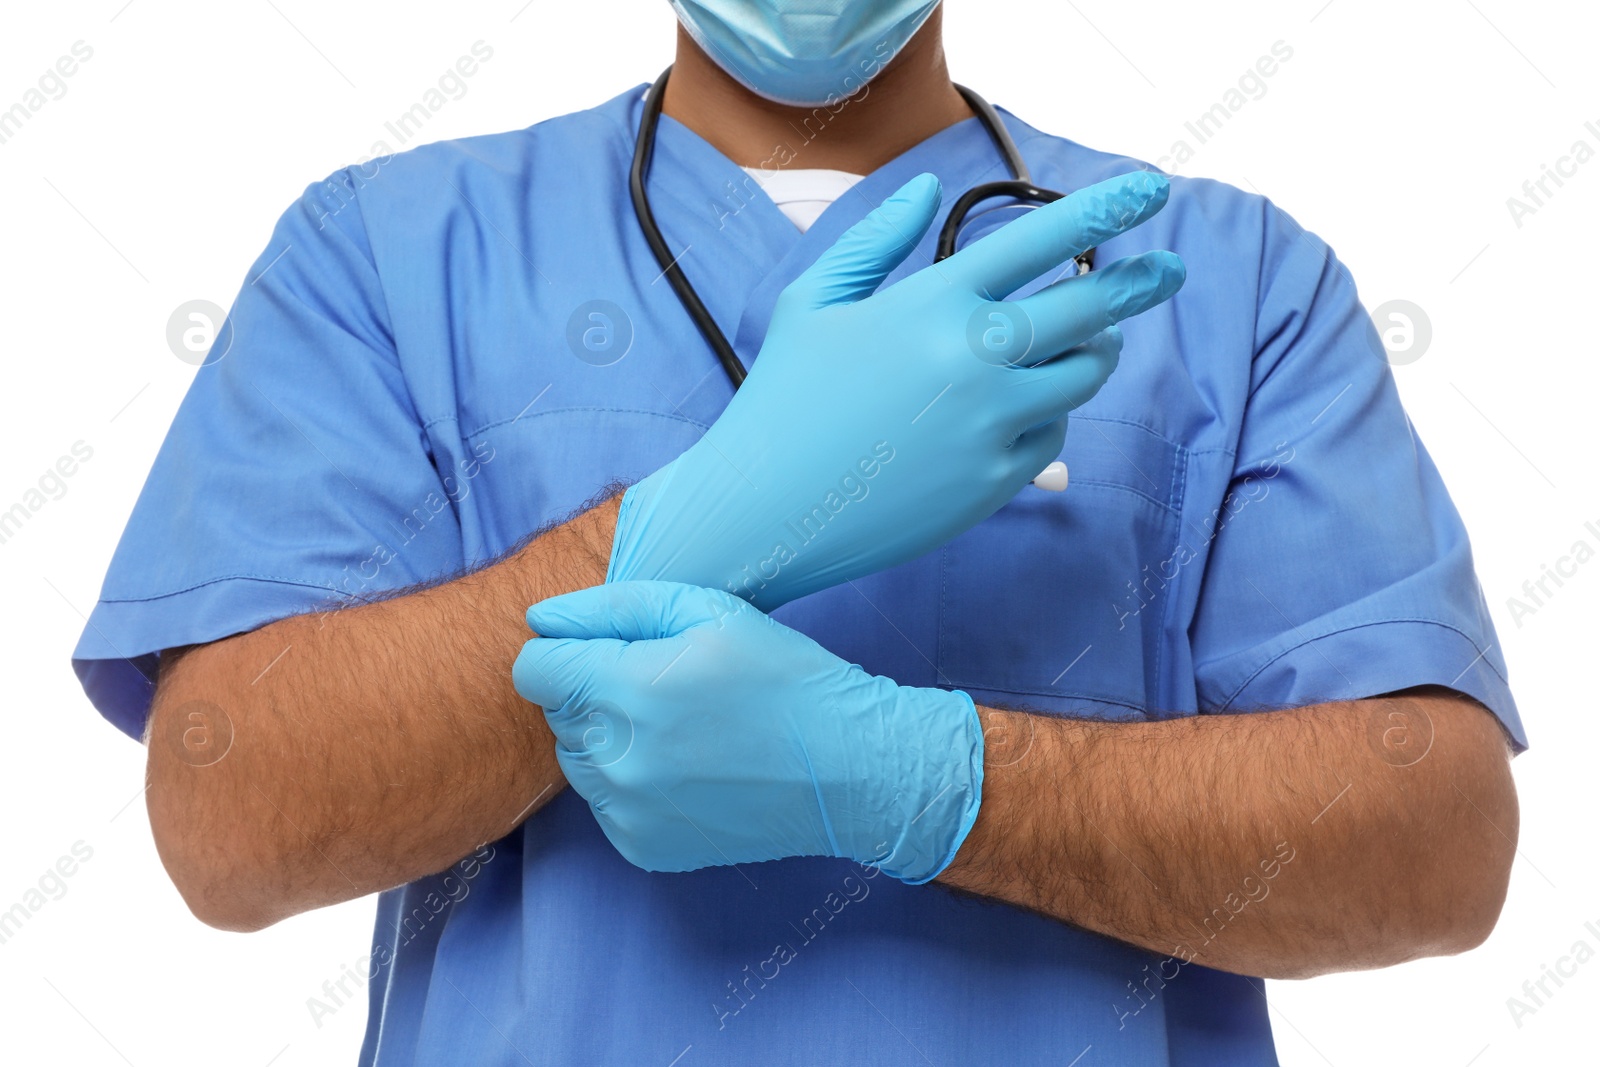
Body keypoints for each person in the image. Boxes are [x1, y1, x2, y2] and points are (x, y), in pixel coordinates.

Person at [72, 2, 1524, 1064]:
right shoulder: (388, 254)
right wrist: (698, 522)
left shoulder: (1217, 279)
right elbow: (230, 817)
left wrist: (914, 775)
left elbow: (1437, 843)